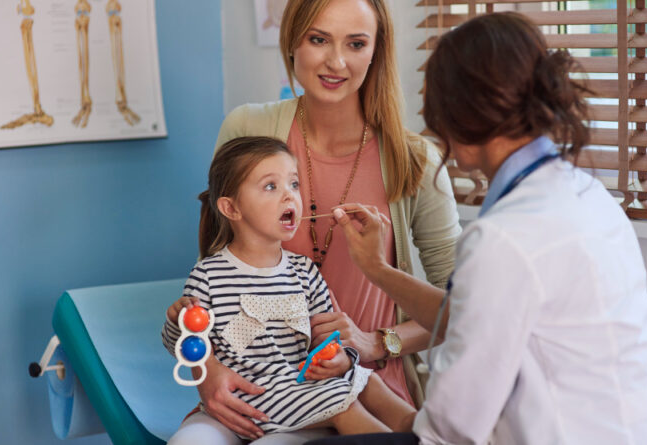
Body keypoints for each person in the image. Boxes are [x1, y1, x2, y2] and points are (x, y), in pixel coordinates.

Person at [312, 12, 647, 445]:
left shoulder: (504, 238)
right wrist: (378, 269)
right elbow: (466, 315)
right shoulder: (588, 196)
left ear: (460, 115)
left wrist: (363, 393)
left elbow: (448, 429)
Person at [194, 0, 461, 442]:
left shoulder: (414, 161)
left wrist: (378, 342)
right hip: (253, 387)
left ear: (376, 51)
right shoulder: (246, 128)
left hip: (366, 395)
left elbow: (463, 308)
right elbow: (215, 276)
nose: (336, 62)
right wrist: (209, 371)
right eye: (319, 39)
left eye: (356, 44)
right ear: (293, 42)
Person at [162, 137, 416, 443]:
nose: (289, 196)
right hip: (249, 397)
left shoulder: (304, 271)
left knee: (363, 377)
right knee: (340, 402)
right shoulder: (207, 276)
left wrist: (339, 358)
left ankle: (416, 426)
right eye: (271, 186)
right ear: (231, 208)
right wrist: (178, 320)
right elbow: (186, 346)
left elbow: (330, 340)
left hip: (297, 390)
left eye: (294, 184)